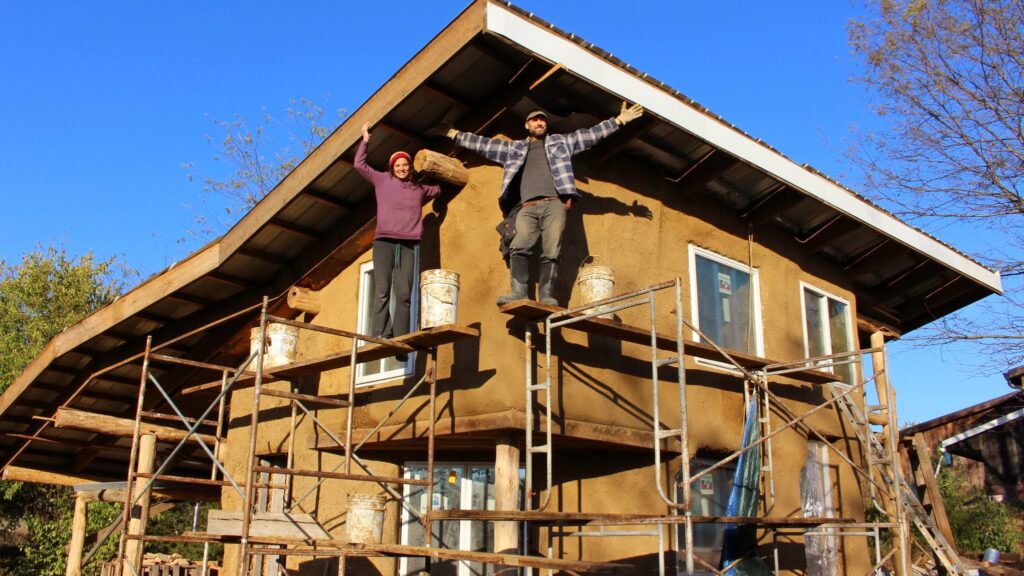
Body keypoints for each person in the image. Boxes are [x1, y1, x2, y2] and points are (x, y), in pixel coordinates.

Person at [447, 102, 643, 306]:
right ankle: (518, 292)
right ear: (527, 125)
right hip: (526, 207)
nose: (539, 123)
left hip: (554, 205)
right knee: (518, 246)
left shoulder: (560, 143)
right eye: (535, 120)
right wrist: (453, 133)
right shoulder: (514, 149)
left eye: (542, 120)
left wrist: (619, 121)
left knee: (551, 250)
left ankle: (547, 296)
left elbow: (590, 135)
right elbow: (483, 144)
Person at [355, 122, 441, 339]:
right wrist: (365, 140)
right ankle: (382, 335)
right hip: (384, 243)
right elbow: (359, 165)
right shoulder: (382, 180)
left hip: (408, 245)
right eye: (397, 165)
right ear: (392, 168)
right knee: (382, 291)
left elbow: (438, 189)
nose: (401, 168)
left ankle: (401, 338)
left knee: (404, 294)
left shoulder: (419, 189)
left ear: (410, 167)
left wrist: (442, 166)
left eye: (405, 165)